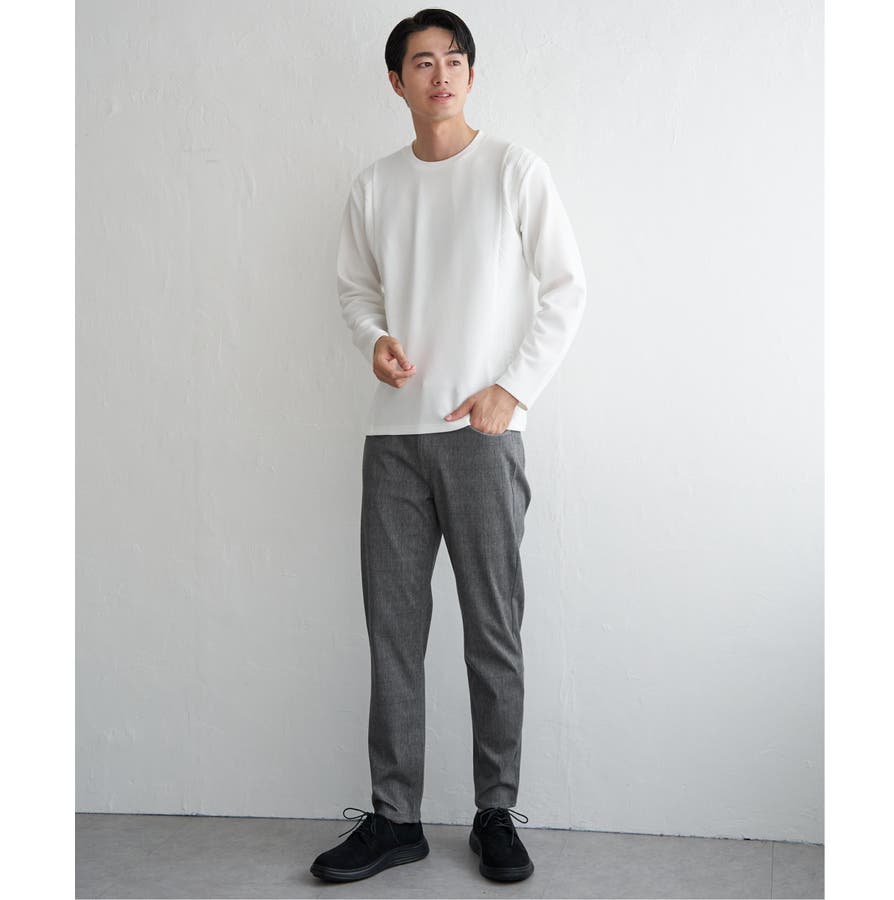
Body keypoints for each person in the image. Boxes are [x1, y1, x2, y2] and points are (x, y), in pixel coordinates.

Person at [310, 7, 586, 886]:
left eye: (454, 60)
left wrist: (514, 388)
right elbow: (355, 289)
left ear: (471, 74)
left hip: (480, 436)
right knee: (393, 634)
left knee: (491, 631)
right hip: (393, 440)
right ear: (397, 81)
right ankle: (396, 818)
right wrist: (372, 340)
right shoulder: (375, 186)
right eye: (422, 62)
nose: (440, 75)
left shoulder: (513, 170)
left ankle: (495, 811)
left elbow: (567, 289)